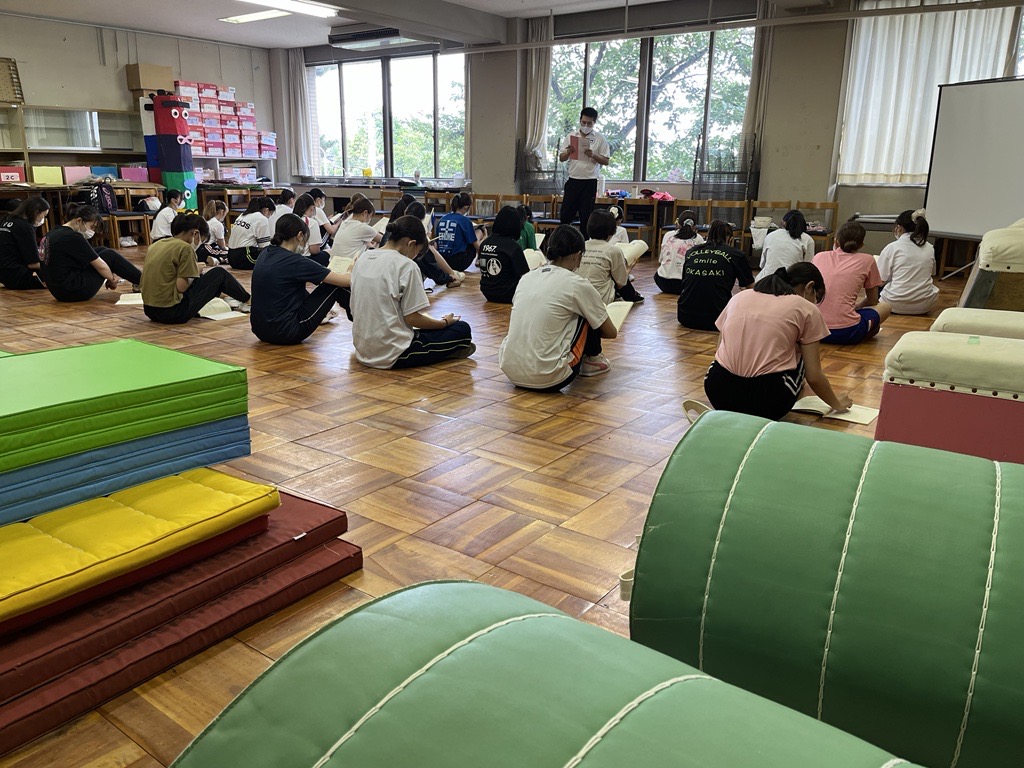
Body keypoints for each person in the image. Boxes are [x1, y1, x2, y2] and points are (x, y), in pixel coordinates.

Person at [704, 262, 852, 421]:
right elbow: (814, 376)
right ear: (810, 287)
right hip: (768, 402)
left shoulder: (739, 297)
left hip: (718, 391)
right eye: (816, 297)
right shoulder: (806, 308)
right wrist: (837, 404)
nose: (815, 302)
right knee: (802, 351)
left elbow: (720, 350)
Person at [498, 225, 618, 389]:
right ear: (577, 255)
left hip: (510, 370)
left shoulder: (527, 278)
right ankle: (592, 360)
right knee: (587, 312)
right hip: (550, 377)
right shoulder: (577, 284)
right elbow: (611, 332)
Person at [350, 215, 474, 369]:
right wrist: (444, 323)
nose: (416, 257)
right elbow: (412, 318)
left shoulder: (363, 257)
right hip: (394, 353)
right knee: (462, 329)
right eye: (418, 252)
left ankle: (448, 349)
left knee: (427, 331)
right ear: (411, 243)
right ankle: (450, 350)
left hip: (363, 350)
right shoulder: (406, 265)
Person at [249, 214, 353, 345]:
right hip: (286, 331)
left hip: (260, 330)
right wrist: (352, 269)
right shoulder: (295, 261)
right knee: (336, 286)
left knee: (292, 286)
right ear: (299, 235)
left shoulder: (265, 252)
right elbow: (345, 281)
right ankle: (364, 325)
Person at [140, 213, 251, 324]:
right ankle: (249, 300)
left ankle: (229, 297)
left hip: (150, 310)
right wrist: (195, 271)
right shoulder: (185, 248)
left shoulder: (156, 245)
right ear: (196, 234)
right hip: (173, 312)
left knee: (204, 279)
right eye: (202, 240)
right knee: (220, 273)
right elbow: (181, 287)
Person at [40, 203, 142, 302]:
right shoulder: (73, 237)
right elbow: (101, 266)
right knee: (109, 255)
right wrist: (112, 279)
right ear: (79, 221)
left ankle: (139, 281)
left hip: (58, 291)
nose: (92, 231)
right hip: (73, 290)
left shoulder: (53, 232)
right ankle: (144, 281)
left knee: (101, 250)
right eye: (92, 227)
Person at [813, 221, 891, 343]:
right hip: (847, 332)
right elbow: (872, 300)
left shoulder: (819, 256)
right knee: (886, 306)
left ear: (836, 241)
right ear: (861, 245)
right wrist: (856, 307)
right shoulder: (868, 260)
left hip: (814, 330)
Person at [677, 220, 754, 330]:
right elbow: (750, 287)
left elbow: (685, 281)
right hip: (718, 319)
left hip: (685, 316)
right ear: (730, 239)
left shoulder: (691, 252)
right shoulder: (736, 255)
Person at [558, 107, 610, 238]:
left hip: (589, 182)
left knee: (586, 217)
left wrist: (593, 155)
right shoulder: (571, 136)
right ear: (580, 120)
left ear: (594, 122)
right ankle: (563, 242)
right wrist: (568, 151)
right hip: (573, 180)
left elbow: (606, 161)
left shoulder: (600, 139)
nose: (586, 126)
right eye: (583, 122)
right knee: (565, 215)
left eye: (589, 123)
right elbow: (561, 158)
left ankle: (584, 245)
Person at [877, 208, 939, 315]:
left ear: (899, 228)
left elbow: (879, 280)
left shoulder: (892, 247)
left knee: (876, 285)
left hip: (893, 304)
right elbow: (932, 273)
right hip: (925, 305)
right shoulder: (930, 248)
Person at [577, 209, 643, 306]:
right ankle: (632, 297)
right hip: (601, 300)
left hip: (578, 299)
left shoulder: (580, 246)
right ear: (612, 230)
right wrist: (628, 269)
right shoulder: (613, 250)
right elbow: (621, 283)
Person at [478, 206, 531, 304]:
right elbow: (525, 274)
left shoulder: (485, 243)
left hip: (487, 291)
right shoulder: (513, 247)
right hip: (508, 292)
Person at [406, 201, 463, 290]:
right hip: (405, 273)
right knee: (427, 252)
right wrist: (449, 277)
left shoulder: (398, 227)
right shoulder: (415, 236)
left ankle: (451, 273)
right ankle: (452, 274)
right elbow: (432, 267)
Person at [0, 196, 49, 289]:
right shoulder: (25, 227)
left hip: (4, 274)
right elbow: (33, 263)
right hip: (17, 275)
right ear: (36, 212)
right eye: (44, 215)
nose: (43, 218)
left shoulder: (6, 221)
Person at [655, 209, 704, 295]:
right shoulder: (698, 238)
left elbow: (660, 259)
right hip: (684, 284)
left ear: (678, 223)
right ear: (694, 226)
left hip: (662, 281)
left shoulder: (668, 235)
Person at [328, 198, 381, 273]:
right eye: (370, 216)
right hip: (348, 270)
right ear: (365, 213)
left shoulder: (345, 223)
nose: (369, 219)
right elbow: (382, 239)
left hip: (333, 267)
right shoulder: (362, 227)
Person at [760, 209, 814, 276]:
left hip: (769, 278)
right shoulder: (807, 239)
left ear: (783, 222)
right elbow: (808, 267)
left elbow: (762, 264)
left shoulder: (770, 236)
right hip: (792, 279)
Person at [435, 193, 480, 272]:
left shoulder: (441, 219)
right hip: (458, 262)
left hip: (442, 261)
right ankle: (479, 259)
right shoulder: (465, 221)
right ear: (466, 207)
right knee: (479, 233)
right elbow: (475, 244)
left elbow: (436, 243)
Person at [226, 196, 274, 270]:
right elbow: (264, 247)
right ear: (266, 210)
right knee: (275, 259)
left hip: (231, 256)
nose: (270, 217)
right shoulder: (262, 218)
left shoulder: (242, 215)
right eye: (271, 213)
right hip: (245, 257)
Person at [293, 193, 330, 266]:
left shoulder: (290, 219)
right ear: (312, 208)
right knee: (330, 252)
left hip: (290, 258)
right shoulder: (311, 222)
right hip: (306, 260)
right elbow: (314, 250)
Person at [198, 200, 228, 265]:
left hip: (198, 249)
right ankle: (218, 260)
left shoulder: (205, 220)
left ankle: (217, 259)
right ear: (222, 212)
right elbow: (222, 246)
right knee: (230, 254)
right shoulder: (217, 224)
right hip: (206, 248)